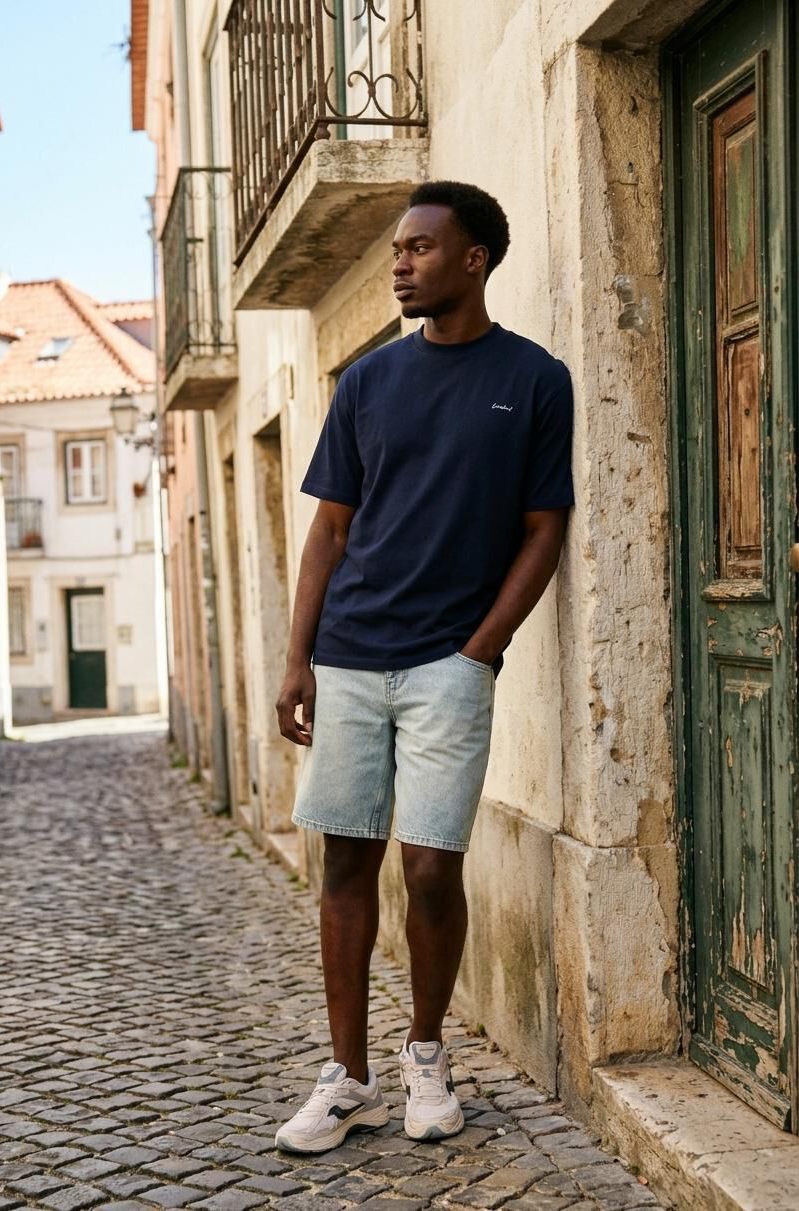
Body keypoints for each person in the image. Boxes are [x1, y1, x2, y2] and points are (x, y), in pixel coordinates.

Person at [274, 180, 574, 1153]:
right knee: (345, 860)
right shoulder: (366, 383)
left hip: (449, 662)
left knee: (432, 865)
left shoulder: (533, 379)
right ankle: (347, 1076)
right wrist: (298, 657)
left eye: (418, 248)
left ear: (473, 259)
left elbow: (543, 529)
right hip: (351, 656)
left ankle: (426, 1055)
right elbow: (328, 530)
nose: (399, 263)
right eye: (398, 249)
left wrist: (479, 649)